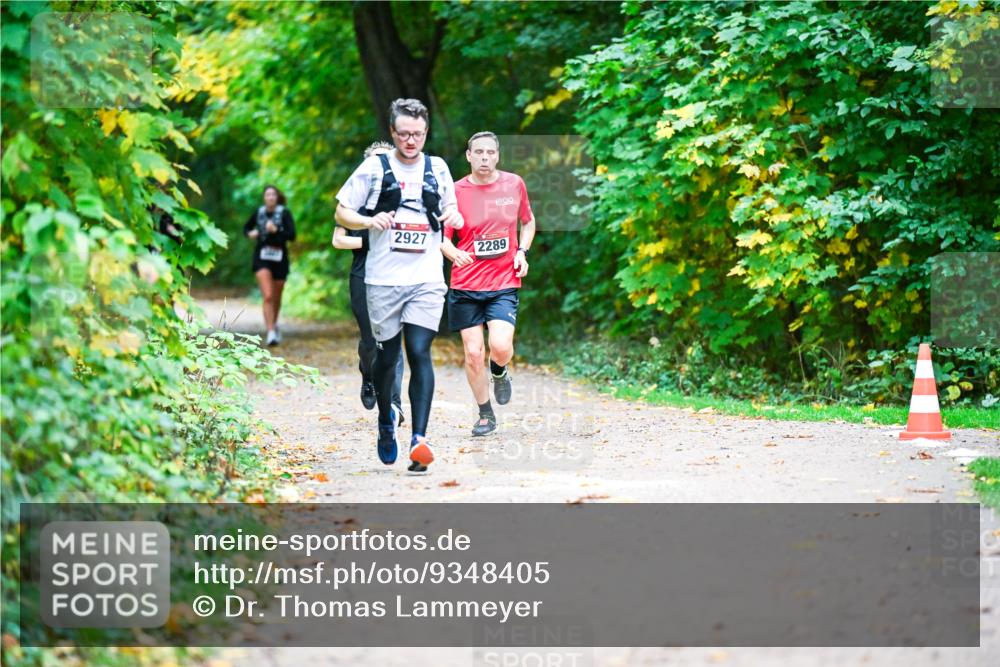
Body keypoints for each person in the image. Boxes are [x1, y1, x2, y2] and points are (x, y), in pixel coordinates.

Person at [335, 98, 464, 473]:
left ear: (426, 133)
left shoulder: (437, 167)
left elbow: (452, 211)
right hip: (382, 280)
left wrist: (453, 214)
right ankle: (386, 420)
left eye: (418, 134)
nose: (411, 141)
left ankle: (419, 440)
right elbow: (341, 211)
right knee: (388, 356)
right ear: (393, 132)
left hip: (425, 279)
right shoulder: (374, 167)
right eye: (405, 134)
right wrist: (367, 221)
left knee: (420, 350)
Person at [440, 131, 535, 436]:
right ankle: (485, 414)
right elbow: (441, 238)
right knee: (473, 353)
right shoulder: (454, 191)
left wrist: (522, 251)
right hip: (465, 283)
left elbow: (528, 221)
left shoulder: (514, 184)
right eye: (478, 152)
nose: (484, 158)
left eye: (489, 152)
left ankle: (500, 370)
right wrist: (452, 252)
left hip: (503, 280)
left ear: (497, 155)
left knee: (500, 346)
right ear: (468, 156)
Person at [332, 141, 405, 423]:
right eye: (374, 160)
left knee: (394, 341)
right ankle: (368, 375)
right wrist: (370, 235)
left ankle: (395, 405)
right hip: (363, 275)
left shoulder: (404, 199)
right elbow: (338, 240)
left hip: (396, 277)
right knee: (370, 342)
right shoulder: (356, 202)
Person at [243, 185, 296, 346]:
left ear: (277, 197)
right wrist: (250, 233)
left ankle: (274, 323)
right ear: (264, 198)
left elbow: (292, 235)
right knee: (267, 295)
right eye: (268, 195)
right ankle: (271, 331)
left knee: (277, 296)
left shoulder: (284, 213)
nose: (271, 197)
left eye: (273, 195)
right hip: (262, 257)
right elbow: (246, 228)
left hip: (280, 257)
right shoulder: (259, 213)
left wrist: (275, 231)